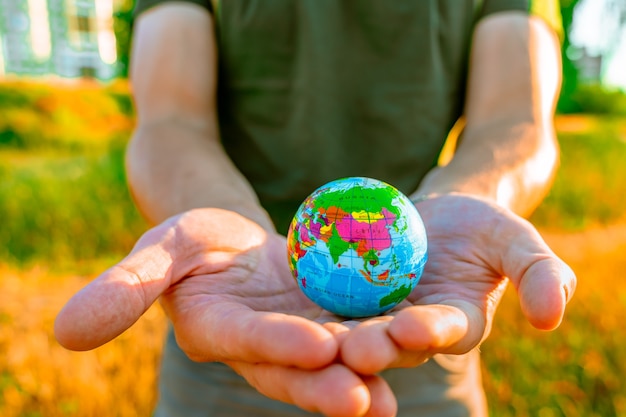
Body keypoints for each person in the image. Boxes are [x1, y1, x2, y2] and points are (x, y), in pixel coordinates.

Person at [55, 1, 577, 416]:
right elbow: (170, 122)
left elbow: (516, 122)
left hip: (423, 321)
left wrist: (468, 198)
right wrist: (220, 218)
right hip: (230, 315)